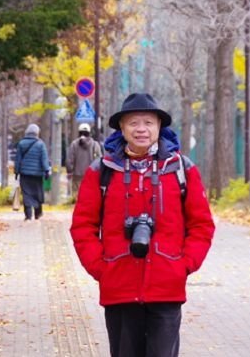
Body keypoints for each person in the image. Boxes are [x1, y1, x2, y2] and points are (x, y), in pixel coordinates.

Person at [70, 93, 215, 357]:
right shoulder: (102, 170)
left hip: (167, 287)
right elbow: (83, 226)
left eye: (148, 122)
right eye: (133, 122)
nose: (141, 129)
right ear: (122, 128)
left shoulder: (181, 168)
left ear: (159, 127)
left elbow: (202, 225)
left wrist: (183, 265)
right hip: (119, 286)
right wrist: (100, 267)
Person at [13, 123, 51, 221]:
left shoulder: (21, 143)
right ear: (37, 133)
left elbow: (18, 160)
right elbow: (44, 159)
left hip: (25, 174)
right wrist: (46, 171)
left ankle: (28, 216)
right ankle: (38, 214)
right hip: (37, 175)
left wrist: (16, 172)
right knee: (38, 193)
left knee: (27, 194)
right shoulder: (41, 144)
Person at [66, 122, 102, 201]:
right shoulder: (95, 145)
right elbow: (99, 160)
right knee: (90, 195)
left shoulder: (74, 144)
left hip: (77, 175)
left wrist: (69, 171)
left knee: (77, 196)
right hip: (92, 175)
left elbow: (70, 160)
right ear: (89, 133)